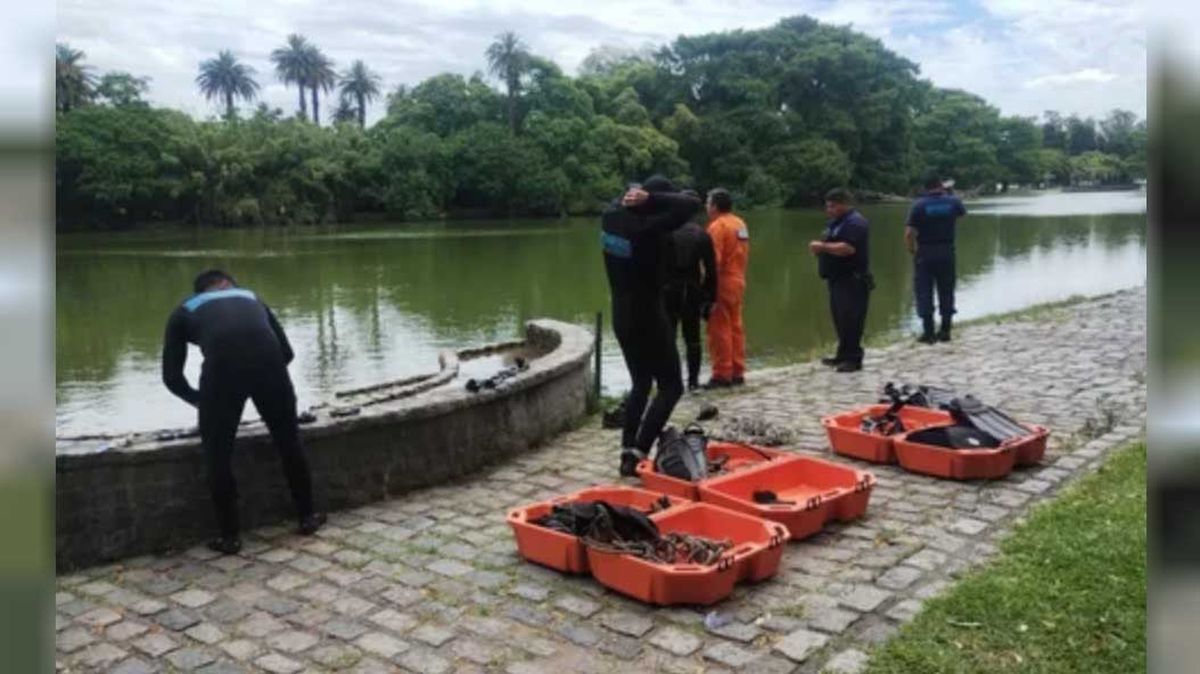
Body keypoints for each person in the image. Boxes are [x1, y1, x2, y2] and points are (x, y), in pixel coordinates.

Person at [162, 269, 324, 554]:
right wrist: (262, 380)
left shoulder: (183, 310)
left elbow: (172, 378)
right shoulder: (252, 298)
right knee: (289, 443)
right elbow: (286, 353)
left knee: (218, 456)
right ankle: (307, 517)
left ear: (201, 292)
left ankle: (230, 537)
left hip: (222, 375)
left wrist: (203, 401)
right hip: (270, 368)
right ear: (229, 285)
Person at [601, 176, 702, 476]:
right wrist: (653, 199)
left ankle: (626, 451)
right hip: (648, 311)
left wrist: (638, 195)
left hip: (621, 311)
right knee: (672, 385)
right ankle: (639, 450)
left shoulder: (610, 218)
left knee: (641, 384)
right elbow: (691, 204)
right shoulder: (648, 228)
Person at [810, 188, 873, 373]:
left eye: (832, 206)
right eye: (827, 206)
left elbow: (847, 248)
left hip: (853, 279)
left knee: (852, 319)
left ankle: (853, 359)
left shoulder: (856, 223)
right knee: (840, 318)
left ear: (844, 204)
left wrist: (821, 247)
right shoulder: (836, 222)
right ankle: (842, 355)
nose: (828, 210)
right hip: (837, 278)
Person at [663, 190, 718, 391]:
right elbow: (712, 271)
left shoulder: (666, 231)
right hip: (692, 290)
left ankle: (670, 381)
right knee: (692, 338)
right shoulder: (702, 234)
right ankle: (693, 382)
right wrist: (710, 298)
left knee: (668, 336)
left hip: (668, 290)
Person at [906, 172, 967, 343]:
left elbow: (909, 233)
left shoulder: (918, 205)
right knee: (946, 289)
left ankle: (929, 333)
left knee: (924, 291)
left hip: (924, 252)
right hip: (946, 250)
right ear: (941, 185)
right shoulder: (953, 202)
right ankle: (946, 330)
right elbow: (961, 216)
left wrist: (912, 250)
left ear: (924, 188)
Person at [704, 188, 751, 388]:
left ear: (714, 205)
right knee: (736, 327)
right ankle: (737, 371)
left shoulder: (717, 227)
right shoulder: (739, 223)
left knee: (719, 328)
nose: (706, 207)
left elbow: (712, 260)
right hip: (738, 279)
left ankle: (722, 374)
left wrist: (705, 285)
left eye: (708, 202)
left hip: (722, 282)